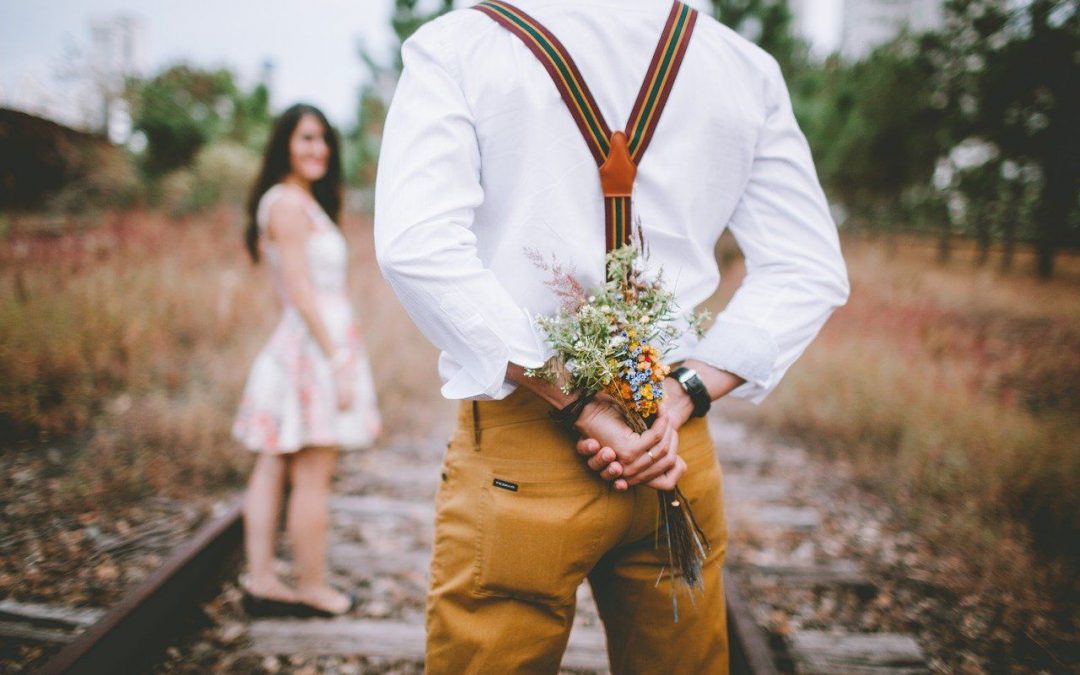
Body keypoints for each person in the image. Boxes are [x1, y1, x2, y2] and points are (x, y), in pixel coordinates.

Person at [375, 0, 849, 671]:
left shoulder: (461, 45)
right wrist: (683, 392)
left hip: (526, 442)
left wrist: (582, 402)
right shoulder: (743, 67)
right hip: (671, 448)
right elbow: (809, 268)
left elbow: (416, 247)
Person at [232, 103, 381, 617]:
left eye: (324, 140)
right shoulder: (288, 205)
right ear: (285, 145)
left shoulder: (295, 201)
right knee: (312, 472)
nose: (318, 149)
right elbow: (299, 290)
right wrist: (337, 358)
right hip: (316, 349)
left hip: (305, 342)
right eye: (307, 138)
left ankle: (264, 580)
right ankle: (312, 587)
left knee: (274, 464)